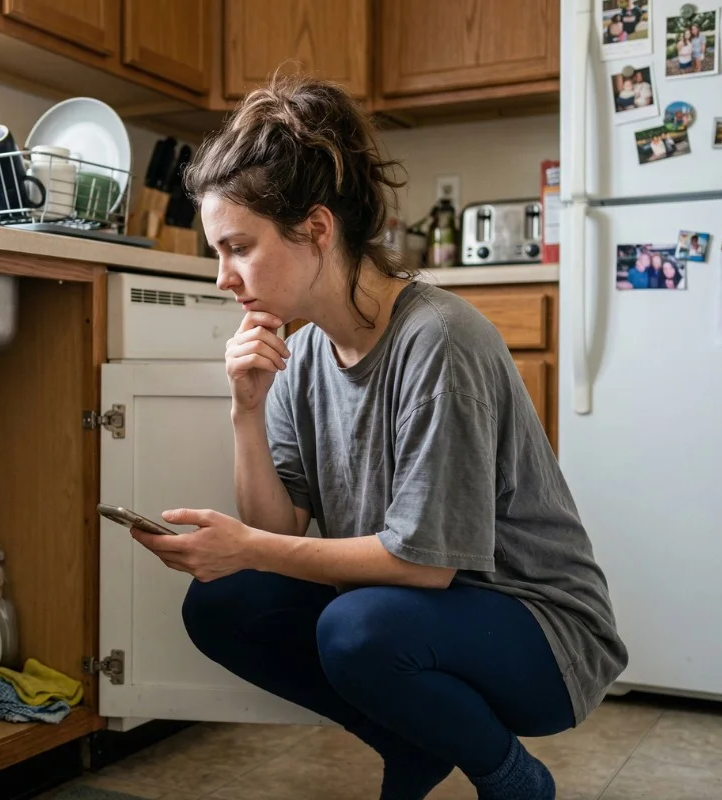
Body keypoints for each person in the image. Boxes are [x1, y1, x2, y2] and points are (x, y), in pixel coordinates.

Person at [127, 75, 628, 800]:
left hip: (544, 635)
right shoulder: (298, 360)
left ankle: (512, 778)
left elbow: (423, 568)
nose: (222, 278)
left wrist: (248, 546)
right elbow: (276, 537)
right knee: (224, 603)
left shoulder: (441, 340)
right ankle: (410, 742)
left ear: (317, 230)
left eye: (237, 247)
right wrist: (245, 409)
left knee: (355, 627)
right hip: (415, 616)